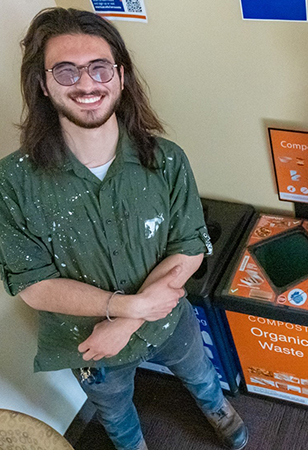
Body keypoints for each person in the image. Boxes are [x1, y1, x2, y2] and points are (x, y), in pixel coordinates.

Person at [0, 7, 248, 450]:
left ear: (120, 76)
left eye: (99, 68)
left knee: (202, 376)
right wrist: (126, 309)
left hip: (170, 321)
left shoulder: (167, 159)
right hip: (88, 342)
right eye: (66, 71)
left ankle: (220, 415)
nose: (87, 83)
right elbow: (32, 285)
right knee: (115, 413)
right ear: (42, 83)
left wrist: (126, 319)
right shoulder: (12, 183)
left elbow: (190, 247)